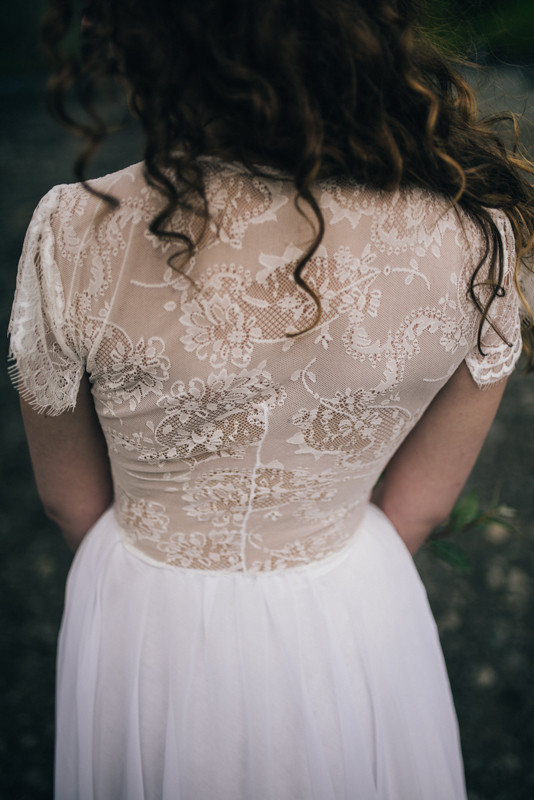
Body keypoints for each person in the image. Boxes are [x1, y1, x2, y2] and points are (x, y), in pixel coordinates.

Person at [8, 0, 534, 798]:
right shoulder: (477, 237)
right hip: (353, 600)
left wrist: (153, 594)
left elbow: (67, 500)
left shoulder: (75, 228)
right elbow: (421, 507)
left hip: (144, 609)